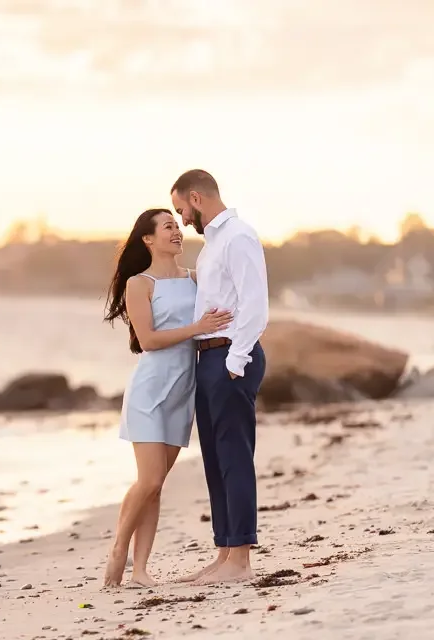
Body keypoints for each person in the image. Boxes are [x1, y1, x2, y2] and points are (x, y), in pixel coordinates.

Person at [102, 208, 232, 588]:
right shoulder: (140, 284)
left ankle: (141, 571)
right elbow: (149, 341)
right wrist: (197, 328)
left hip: (182, 392)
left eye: (177, 225)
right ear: (148, 239)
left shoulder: (194, 279)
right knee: (149, 479)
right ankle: (118, 550)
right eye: (168, 227)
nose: (177, 231)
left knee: (156, 485)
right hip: (150, 390)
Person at [170, 169, 269, 585]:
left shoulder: (238, 237)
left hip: (231, 356)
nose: (180, 220)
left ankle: (241, 562)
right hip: (208, 358)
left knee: (234, 457)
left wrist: (235, 360)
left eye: (180, 210)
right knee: (214, 459)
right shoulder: (211, 246)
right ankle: (225, 551)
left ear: (196, 197)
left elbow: (255, 304)